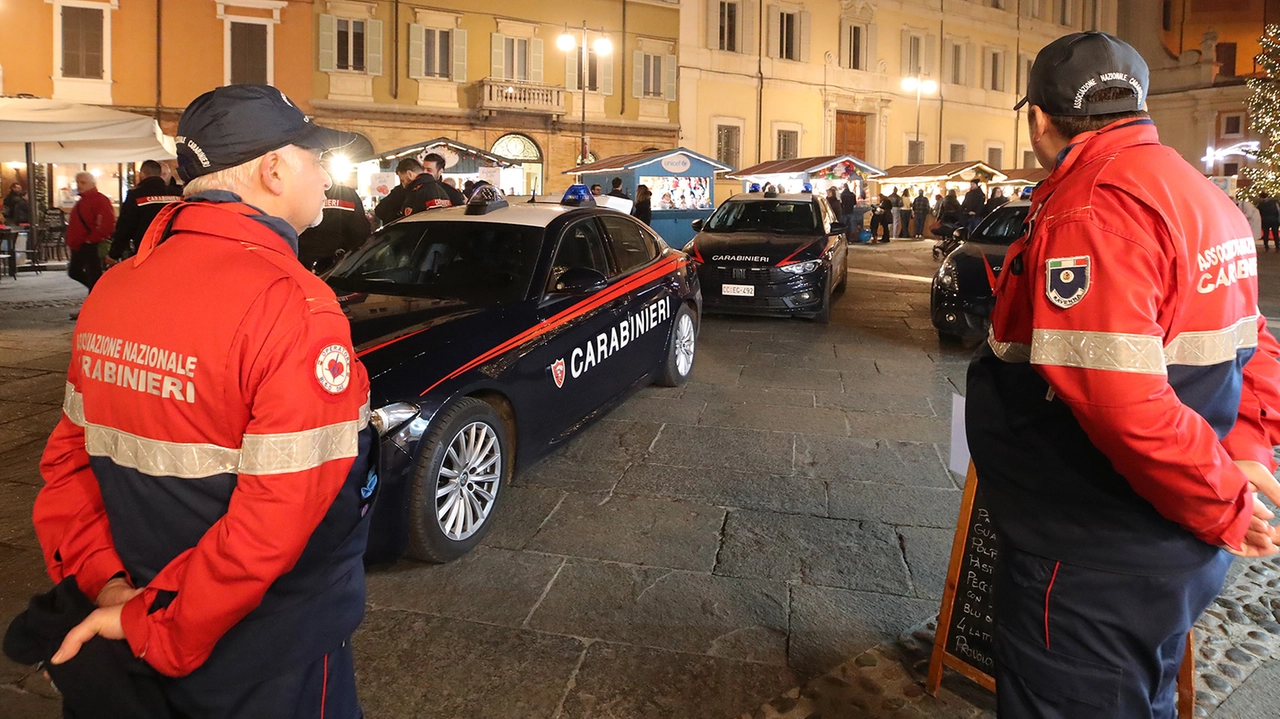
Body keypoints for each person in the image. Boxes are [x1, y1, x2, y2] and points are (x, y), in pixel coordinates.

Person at [33, 83, 374, 718]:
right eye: (314, 156)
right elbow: (276, 519)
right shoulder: (293, 305)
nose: (326, 175)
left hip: (131, 607)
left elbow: (68, 465)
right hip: (267, 650)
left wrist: (109, 586)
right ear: (273, 169)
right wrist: (158, 624)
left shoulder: (115, 287)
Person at [966, 32, 1280, 719]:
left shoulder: (1091, 207)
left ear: (1038, 120)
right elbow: (1254, 343)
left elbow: (1123, 404)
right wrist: (1249, 449)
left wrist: (1224, 500)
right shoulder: (1204, 197)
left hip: (1090, 552)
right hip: (1156, 547)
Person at [107, 160, 181, 264]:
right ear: (159, 174)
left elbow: (125, 227)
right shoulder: (177, 195)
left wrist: (114, 254)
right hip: (173, 249)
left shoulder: (136, 195)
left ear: (142, 174)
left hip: (145, 251)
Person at [298, 181, 371, 273]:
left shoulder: (298, 193)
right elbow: (361, 232)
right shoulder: (348, 195)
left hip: (302, 263)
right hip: (338, 266)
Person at [65, 172, 115, 294]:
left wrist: (92, 238)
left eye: (83, 182)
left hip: (90, 243)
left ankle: (97, 297)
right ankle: (99, 293)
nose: (79, 185)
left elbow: (106, 222)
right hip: (80, 243)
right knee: (76, 272)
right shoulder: (82, 201)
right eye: (78, 182)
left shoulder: (99, 200)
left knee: (92, 275)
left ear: (92, 183)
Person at [373, 158, 420, 226]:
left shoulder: (422, 190)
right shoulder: (398, 191)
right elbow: (379, 210)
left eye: (403, 180)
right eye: (401, 181)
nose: (403, 185)